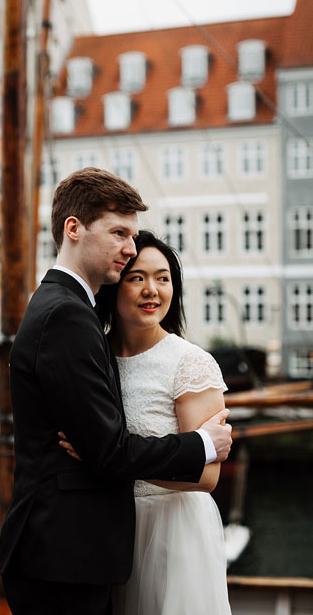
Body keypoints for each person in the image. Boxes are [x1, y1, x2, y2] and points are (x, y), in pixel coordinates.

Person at [0, 168, 233, 615]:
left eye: (133, 235)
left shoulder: (64, 307)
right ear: (74, 229)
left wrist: (100, 450)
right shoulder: (68, 315)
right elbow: (107, 451)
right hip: (64, 555)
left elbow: (100, 449)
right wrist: (201, 444)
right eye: (119, 233)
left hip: (83, 551)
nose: (129, 248)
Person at [62, 230, 230, 614]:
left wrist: (104, 459)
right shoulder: (93, 356)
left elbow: (206, 477)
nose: (152, 290)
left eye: (163, 278)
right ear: (114, 284)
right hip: (108, 528)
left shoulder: (190, 362)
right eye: (137, 277)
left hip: (173, 531)